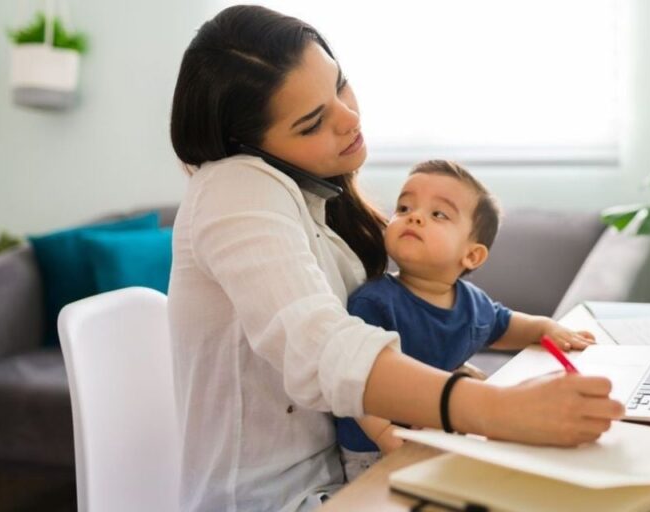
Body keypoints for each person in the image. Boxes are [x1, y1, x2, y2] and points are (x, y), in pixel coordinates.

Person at [168, 5, 625, 511]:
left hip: (359, 476)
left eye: (340, 85)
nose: (350, 118)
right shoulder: (234, 186)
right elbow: (320, 348)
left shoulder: (320, 205)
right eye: (314, 122)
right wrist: (493, 409)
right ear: (249, 147)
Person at [335, 160, 599, 480]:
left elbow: (505, 326)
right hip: (374, 445)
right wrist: (382, 432)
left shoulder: (472, 303)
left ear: (472, 255)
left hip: (444, 428)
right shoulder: (374, 302)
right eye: (404, 207)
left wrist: (545, 327)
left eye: (438, 214)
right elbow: (356, 379)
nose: (414, 216)